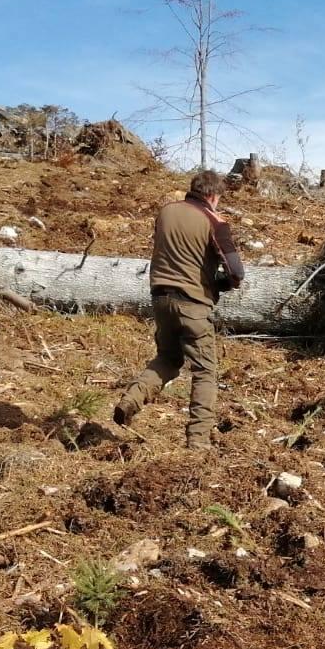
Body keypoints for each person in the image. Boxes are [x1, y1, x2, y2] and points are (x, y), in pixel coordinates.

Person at [113, 169, 245, 450]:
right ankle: (198, 441)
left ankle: (131, 400)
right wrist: (220, 283)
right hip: (193, 305)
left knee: (169, 359)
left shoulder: (166, 212)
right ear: (212, 195)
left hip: (160, 299)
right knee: (205, 371)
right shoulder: (215, 221)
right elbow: (236, 271)